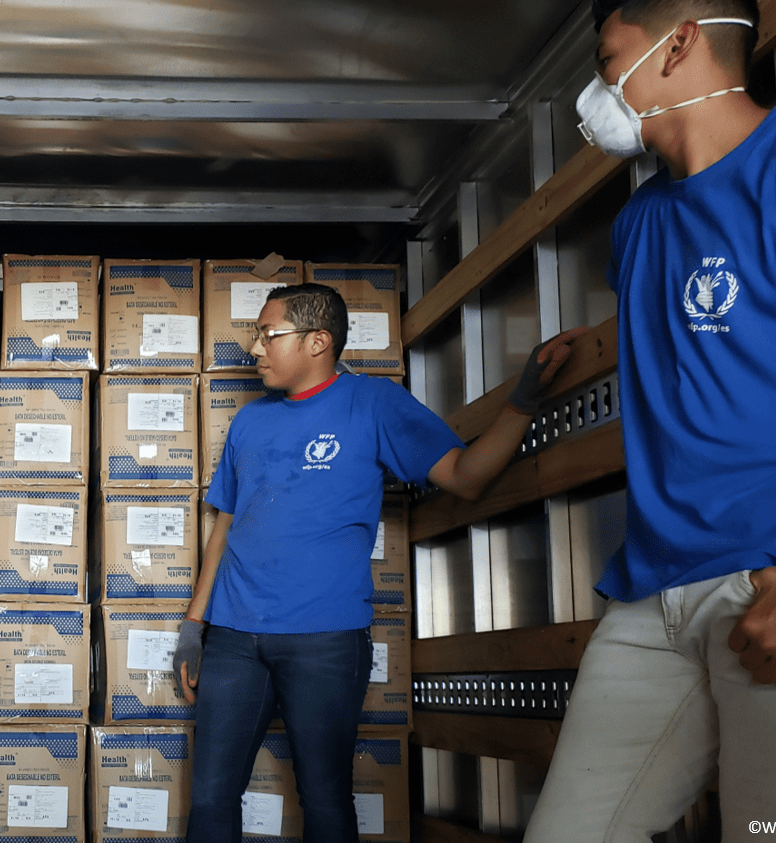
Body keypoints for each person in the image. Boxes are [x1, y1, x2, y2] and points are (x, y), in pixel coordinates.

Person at [524, 0, 776, 841]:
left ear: (678, 43)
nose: (595, 93)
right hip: (649, 596)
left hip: (773, 583)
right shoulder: (638, 223)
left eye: (608, 62)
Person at [174, 283, 583, 842]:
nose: (254, 348)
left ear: (318, 341)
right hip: (234, 638)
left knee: (324, 798)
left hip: (325, 640)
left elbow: (466, 478)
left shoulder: (374, 403)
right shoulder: (250, 422)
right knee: (212, 796)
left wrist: (522, 403)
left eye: (268, 334)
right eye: (256, 335)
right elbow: (225, 523)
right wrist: (195, 625)